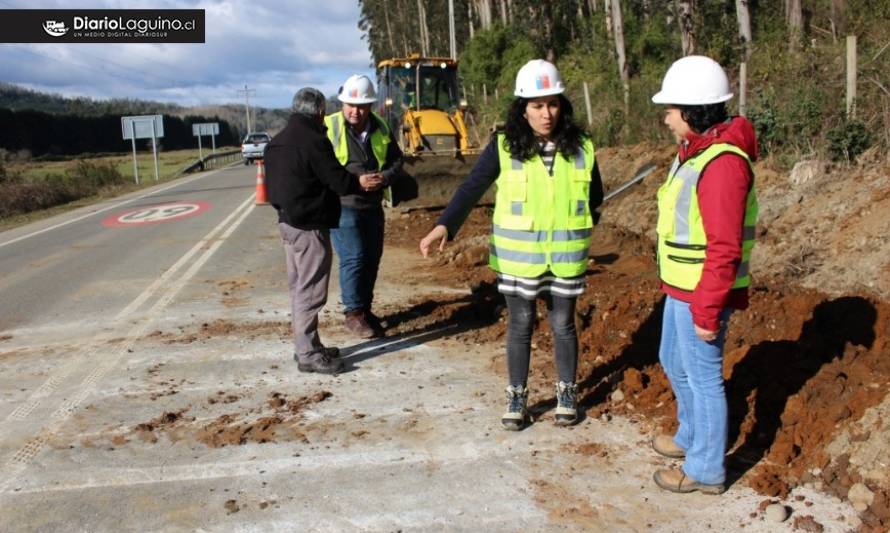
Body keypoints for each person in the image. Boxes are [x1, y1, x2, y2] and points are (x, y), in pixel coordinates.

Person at [419, 59, 604, 430]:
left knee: (563, 324)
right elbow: (472, 187)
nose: (546, 113)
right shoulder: (504, 146)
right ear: (523, 108)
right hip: (520, 258)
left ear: (562, 105)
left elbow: (594, 196)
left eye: (552, 103)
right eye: (537, 106)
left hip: (566, 257)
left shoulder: (582, 146)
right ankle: (517, 397)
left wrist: (580, 224)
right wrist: (445, 225)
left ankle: (567, 393)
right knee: (520, 324)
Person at [648, 55, 759, 494]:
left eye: (671, 109)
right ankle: (691, 437)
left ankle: (706, 469)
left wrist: (708, 310)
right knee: (673, 360)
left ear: (692, 111)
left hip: (703, 291)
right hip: (682, 285)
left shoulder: (722, 164)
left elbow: (725, 247)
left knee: (704, 377)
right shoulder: (695, 153)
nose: (666, 117)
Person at [264, 87, 384, 374]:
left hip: (287, 223)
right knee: (311, 292)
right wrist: (360, 182)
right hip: (309, 227)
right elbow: (337, 180)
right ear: (319, 112)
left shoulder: (277, 142)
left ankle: (309, 345)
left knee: (299, 288)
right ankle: (307, 353)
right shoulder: (314, 140)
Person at [325, 74, 405, 338]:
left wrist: (384, 178)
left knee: (372, 259)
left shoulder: (380, 127)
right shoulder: (329, 127)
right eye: (350, 105)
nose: (354, 111)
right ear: (342, 103)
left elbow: (396, 161)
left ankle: (365, 310)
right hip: (342, 203)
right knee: (354, 257)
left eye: (360, 106)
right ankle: (353, 313)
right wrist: (356, 181)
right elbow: (323, 167)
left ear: (370, 106)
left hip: (372, 205)